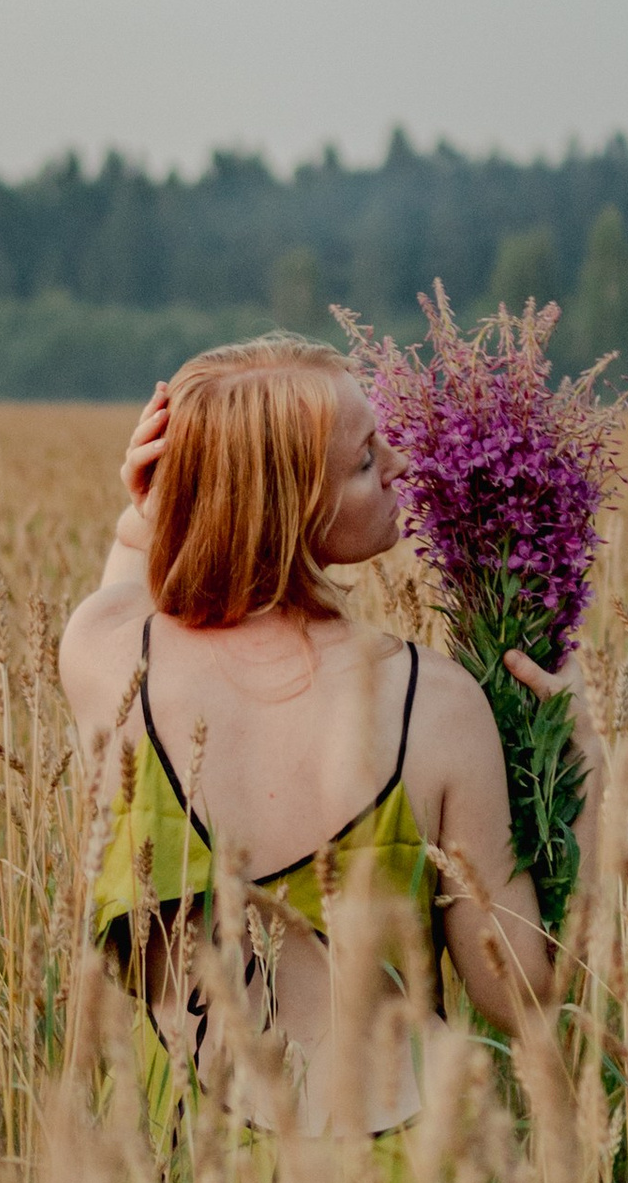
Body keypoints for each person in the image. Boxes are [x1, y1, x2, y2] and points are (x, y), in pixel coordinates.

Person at [59, 335, 594, 1139]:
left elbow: (134, 576)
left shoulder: (103, 652)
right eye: (364, 463)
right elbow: (523, 993)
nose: (402, 468)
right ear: (288, 503)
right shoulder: (436, 706)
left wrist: (146, 516)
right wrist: (583, 757)